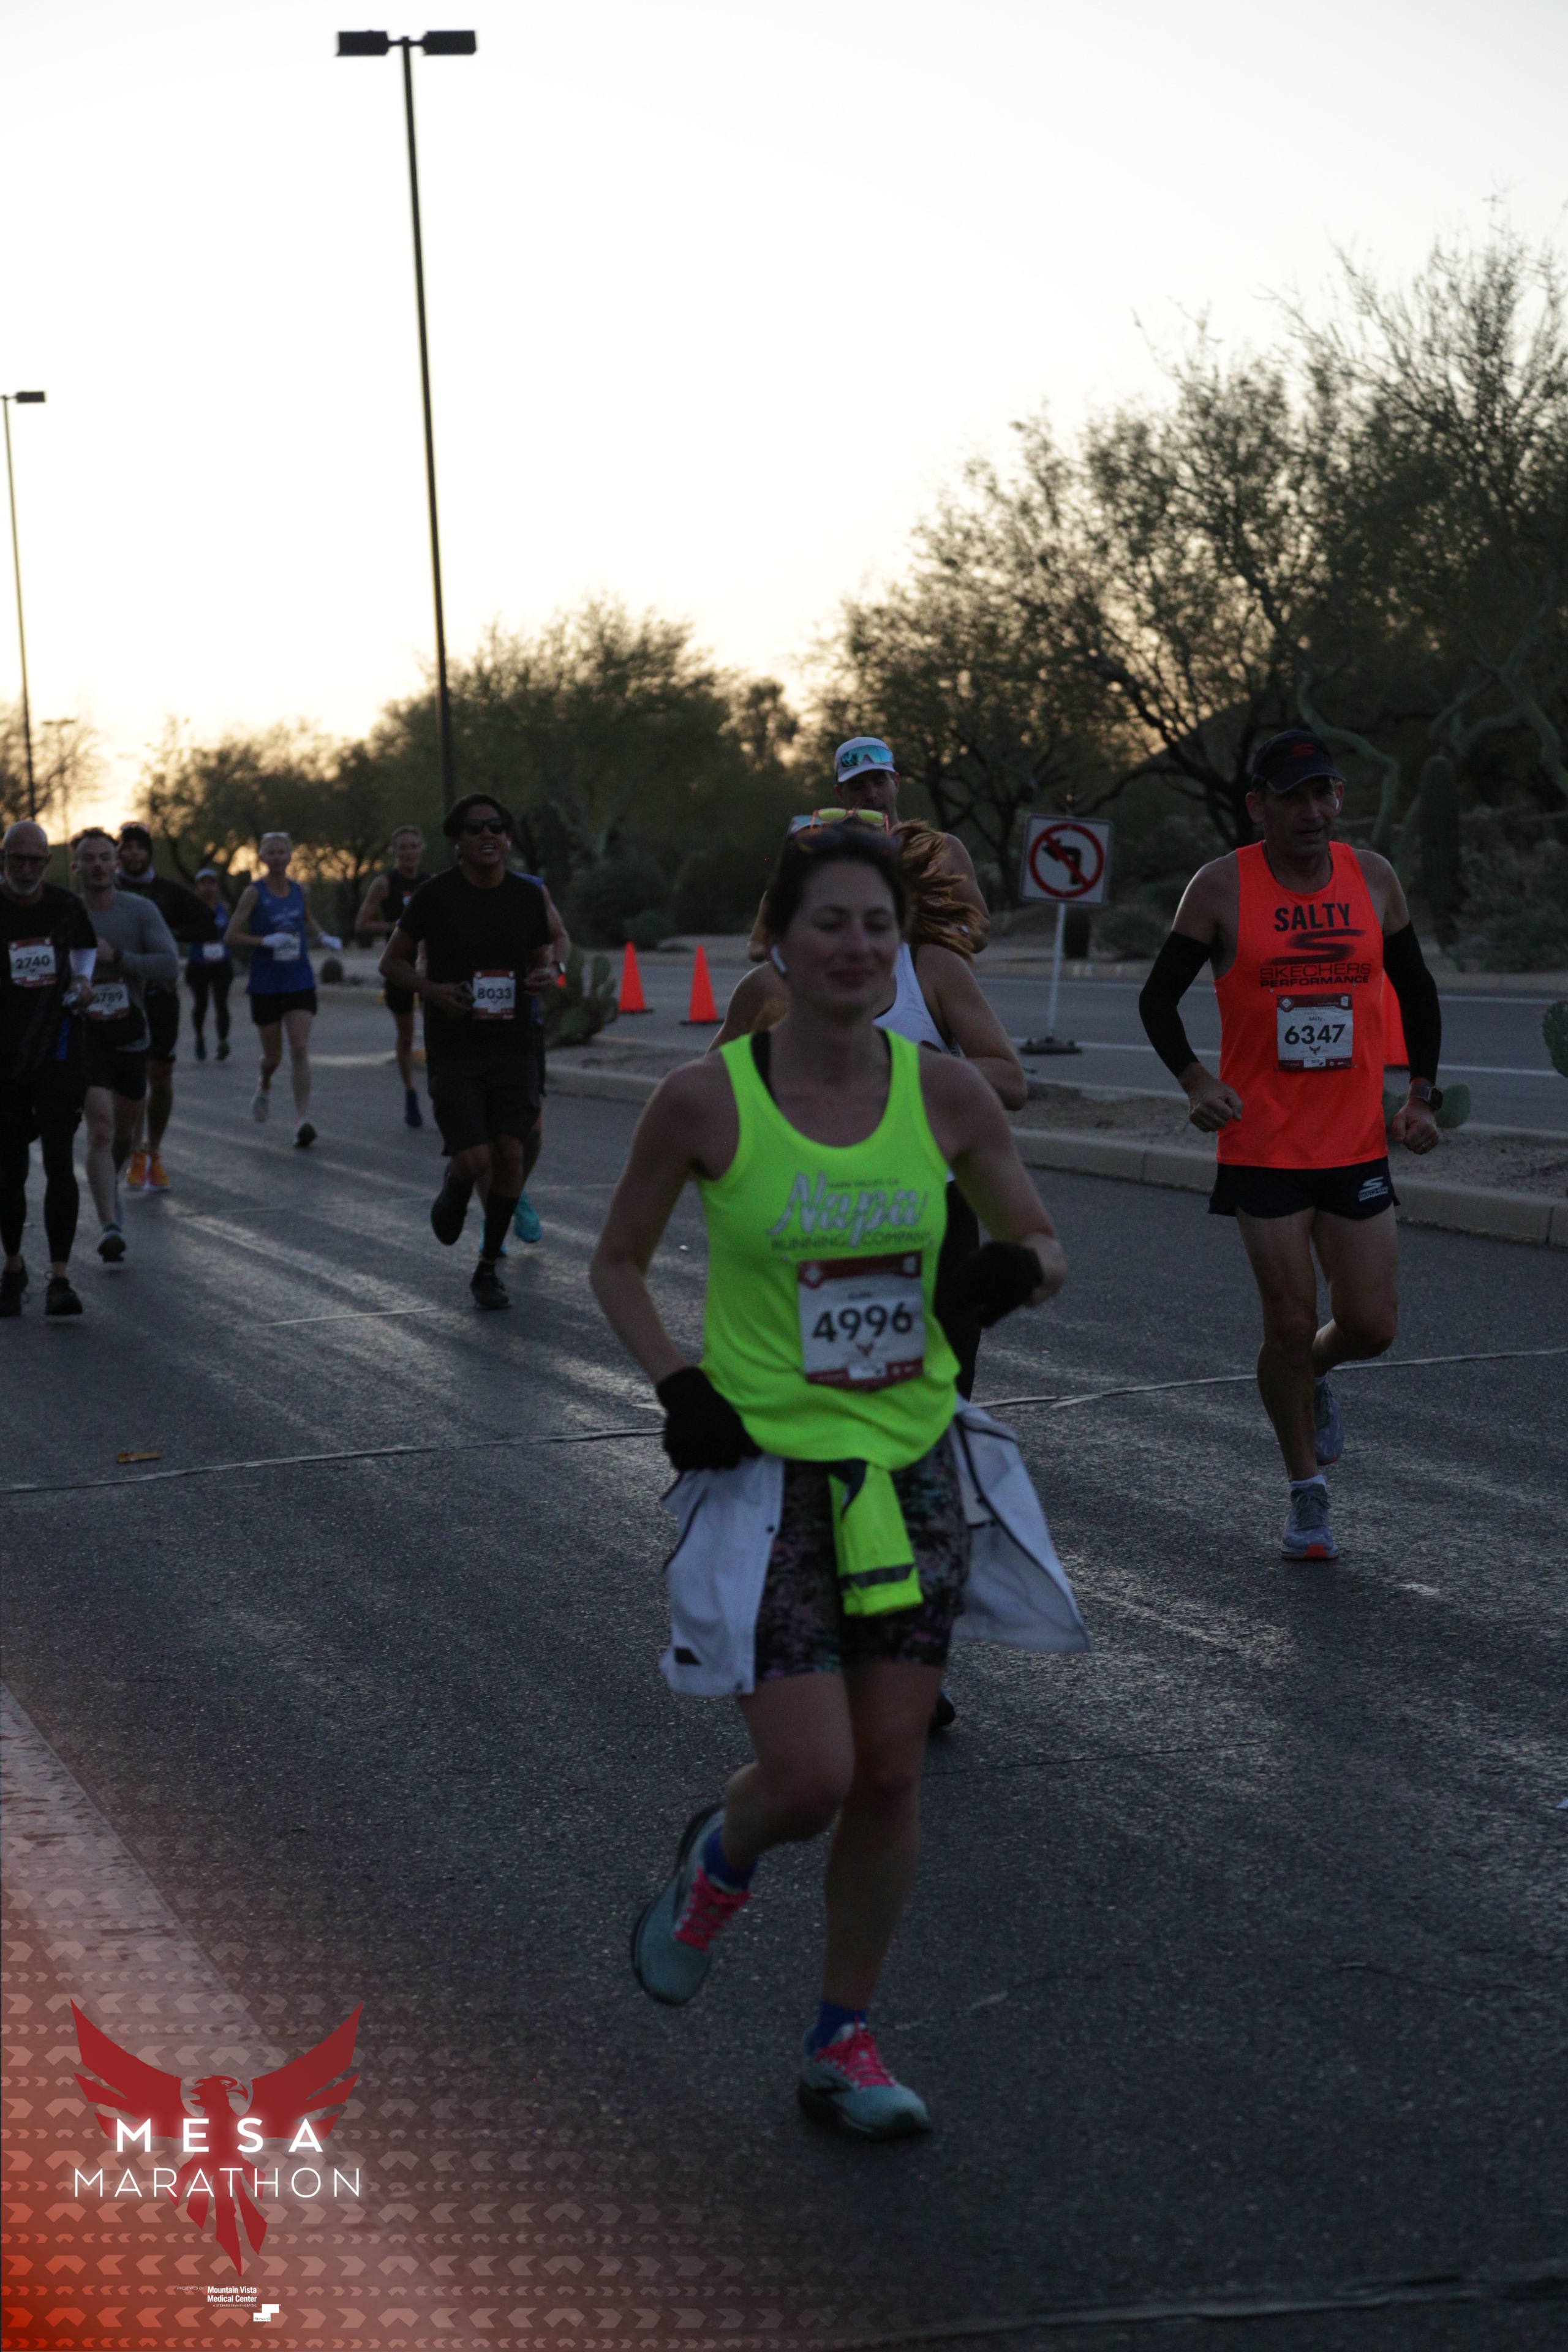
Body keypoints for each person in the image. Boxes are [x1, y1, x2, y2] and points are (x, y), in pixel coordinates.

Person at [590, 823, 1088, 2138]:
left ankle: (842, 2040)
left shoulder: (947, 1094)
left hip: (910, 1474)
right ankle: (719, 1861)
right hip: (766, 1482)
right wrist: (677, 1385)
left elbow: (1043, 1241)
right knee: (808, 1780)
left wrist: (1010, 1272)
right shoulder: (705, 1100)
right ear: (779, 940)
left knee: (889, 1777)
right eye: (831, 924)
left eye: (878, 925)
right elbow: (615, 1264)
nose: (858, 948)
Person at [1138, 727, 1444, 1563]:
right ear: (1258, 807)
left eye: (1324, 793)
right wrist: (1196, 1082)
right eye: (1294, 797)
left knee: (1371, 1326)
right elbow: (1157, 1000)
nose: (1313, 811)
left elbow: (1416, 988)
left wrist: (1419, 1096)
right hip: (1263, 1143)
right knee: (1289, 1320)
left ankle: (1314, 1374)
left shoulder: (1371, 877)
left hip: (1355, 1141)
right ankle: (1307, 1492)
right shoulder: (1219, 887)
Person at [379, 794, 554, 1310]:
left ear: (507, 837)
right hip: (456, 1047)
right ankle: (455, 1185)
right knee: (475, 1159)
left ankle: (487, 1268)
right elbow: (392, 963)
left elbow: (542, 960)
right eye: (476, 829)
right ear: (457, 840)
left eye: (497, 827)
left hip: (514, 1044)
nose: (488, 835)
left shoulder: (527, 896)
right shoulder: (434, 896)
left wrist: (546, 976)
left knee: (511, 1151)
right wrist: (432, 991)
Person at [747, 737, 990, 960]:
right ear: (840, 794)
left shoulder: (940, 848)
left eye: (879, 781)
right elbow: (758, 946)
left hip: (926, 988)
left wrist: (937, 931)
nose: (871, 794)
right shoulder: (824, 856)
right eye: (857, 786)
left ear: (896, 783)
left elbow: (981, 926)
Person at [1, 820, 99, 1317]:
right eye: (16, 859)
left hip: (59, 1050)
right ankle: (13, 1266)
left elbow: (85, 947)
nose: (25, 869)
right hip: (6, 1058)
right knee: (9, 1169)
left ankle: (60, 1279)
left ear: (46, 862)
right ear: (4, 860)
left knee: (60, 1161)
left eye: (34, 860)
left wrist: (82, 983)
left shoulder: (65, 907)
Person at [72, 829, 179, 1265]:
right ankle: (109, 1226)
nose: (98, 865)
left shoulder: (139, 910)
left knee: (122, 1131)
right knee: (100, 1127)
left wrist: (118, 958)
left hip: (130, 1033)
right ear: (76, 866)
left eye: (105, 857)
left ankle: (110, 1184)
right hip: (83, 1034)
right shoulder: (66, 914)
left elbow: (169, 965)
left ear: (115, 864)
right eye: (89, 858)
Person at [225, 833, 340, 1148]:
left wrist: (323, 936)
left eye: (282, 852)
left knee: (299, 1048)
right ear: (263, 857)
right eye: (271, 852)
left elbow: (307, 919)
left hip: (299, 979)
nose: (277, 857)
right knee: (273, 1057)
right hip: (266, 984)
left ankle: (302, 1119)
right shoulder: (254, 893)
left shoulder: (302, 890)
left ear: (290, 856)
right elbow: (231, 936)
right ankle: (264, 1084)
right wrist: (264, 941)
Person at [113, 821, 209, 1191]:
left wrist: (171, 938)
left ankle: (154, 1151)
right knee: (133, 1075)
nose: (134, 853)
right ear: (120, 853)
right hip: (122, 994)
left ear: (149, 853)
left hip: (162, 994)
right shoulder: (109, 891)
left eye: (140, 847)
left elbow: (208, 923)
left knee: (161, 1076)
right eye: (128, 847)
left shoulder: (167, 892)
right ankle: (136, 1151)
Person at [354, 827, 432, 1128]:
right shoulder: (385, 884)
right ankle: (410, 1092)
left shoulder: (429, 882)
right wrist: (397, 927)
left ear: (421, 848)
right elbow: (362, 923)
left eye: (413, 846)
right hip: (398, 965)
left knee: (436, 1032)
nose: (409, 852)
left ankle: (440, 1091)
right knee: (407, 1035)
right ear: (394, 851)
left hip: (427, 966)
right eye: (403, 847)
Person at [510, 872, 570, 1247]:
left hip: (524, 1027)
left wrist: (553, 969)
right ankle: (493, 1226)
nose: (488, 843)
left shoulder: (531, 890)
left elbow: (560, 937)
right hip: (472, 1034)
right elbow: (424, 954)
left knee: (531, 1133)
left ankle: (513, 1194)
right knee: (485, 1144)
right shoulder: (450, 892)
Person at [184, 868, 233, 1061]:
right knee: (201, 1003)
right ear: (197, 887)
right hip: (199, 963)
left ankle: (223, 1041)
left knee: (222, 1002)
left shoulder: (224, 908)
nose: (208, 887)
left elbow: (230, 931)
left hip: (221, 962)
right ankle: (199, 1037)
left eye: (211, 883)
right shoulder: (191, 910)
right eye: (203, 883)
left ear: (216, 886)